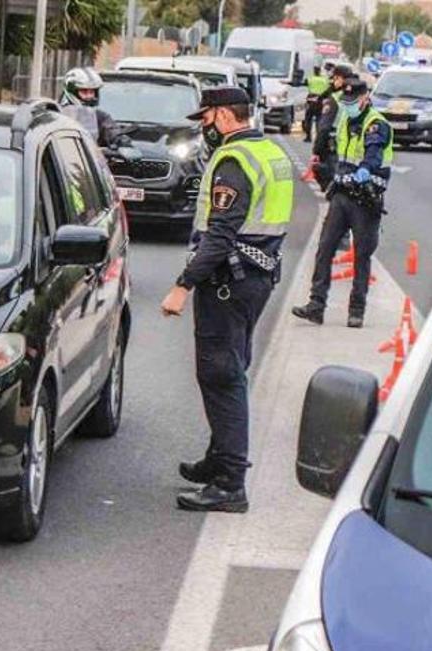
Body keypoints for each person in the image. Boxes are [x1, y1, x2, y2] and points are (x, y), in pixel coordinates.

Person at [160, 86, 293, 513]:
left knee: (221, 375)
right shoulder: (270, 151)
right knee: (231, 368)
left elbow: (220, 235)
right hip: (257, 277)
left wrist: (183, 285)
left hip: (228, 280)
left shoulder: (235, 161)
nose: (203, 126)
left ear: (222, 115)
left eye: (205, 118)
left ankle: (230, 483)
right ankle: (217, 461)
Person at [292, 78, 393, 328]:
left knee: (361, 255)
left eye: (352, 101)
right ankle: (316, 305)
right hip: (342, 195)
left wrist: (366, 170)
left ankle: (356, 310)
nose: (347, 105)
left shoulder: (376, 124)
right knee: (325, 247)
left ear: (364, 98)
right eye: (344, 101)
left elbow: (374, 152)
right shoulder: (346, 119)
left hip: (366, 198)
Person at [310, 64, 353, 190]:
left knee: (325, 174)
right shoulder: (357, 98)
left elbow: (324, 128)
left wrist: (316, 150)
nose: (333, 81)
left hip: (334, 145)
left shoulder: (334, 98)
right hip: (352, 147)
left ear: (340, 79)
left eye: (334, 78)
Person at [59, 67, 118, 148]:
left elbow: (111, 130)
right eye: (84, 91)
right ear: (72, 91)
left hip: (92, 158)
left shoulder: (100, 116)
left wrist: (121, 141)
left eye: (92, 92)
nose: (89, 96)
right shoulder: (58, 115)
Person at [302, 65, 331, 142]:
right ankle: (318, 137)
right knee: (319, 119)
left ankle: (308, 137)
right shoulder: (325, 79)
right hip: (320, 100)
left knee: (308, 119)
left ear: (314, 71)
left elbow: (302, 83)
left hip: (311, 99)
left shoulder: (310, 78)